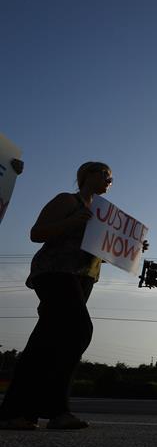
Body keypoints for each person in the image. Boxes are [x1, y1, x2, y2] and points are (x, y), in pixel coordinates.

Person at [0, 162, 146, 430]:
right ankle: (54, 409)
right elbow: (37, 233)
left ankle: (22, 412)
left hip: (83, 278)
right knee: (78, 330)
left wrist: (133, 247)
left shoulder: (102, 216)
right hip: (56, 272)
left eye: (111, 178)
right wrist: (71, 222)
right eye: (103, 174)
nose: (108, 180)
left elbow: (104, 250)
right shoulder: (68, 200)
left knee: (48, 342)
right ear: (85, 175)